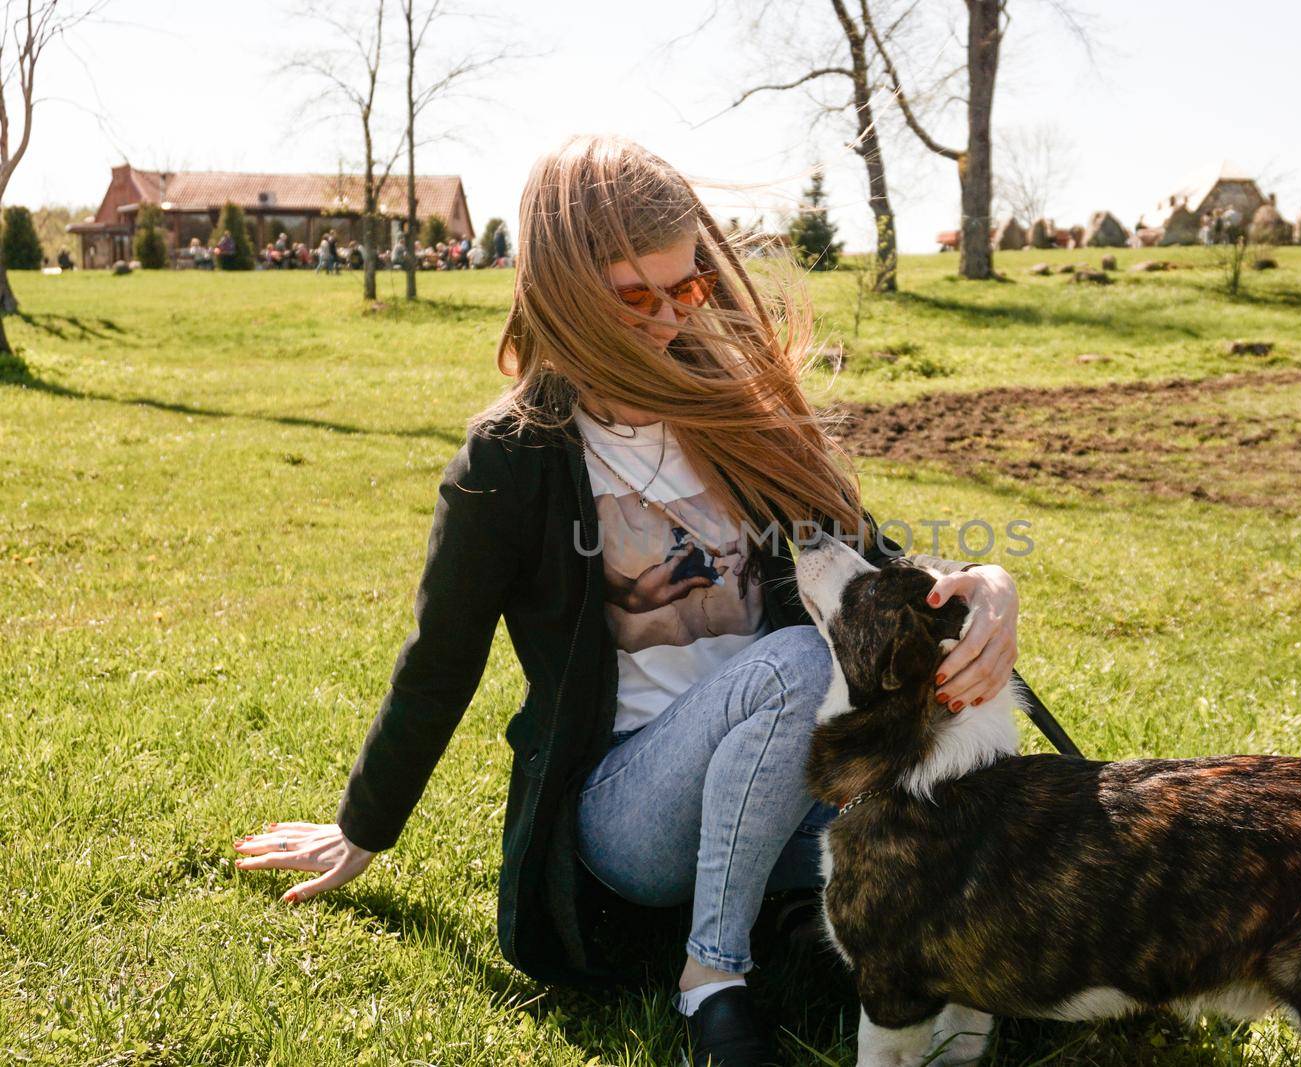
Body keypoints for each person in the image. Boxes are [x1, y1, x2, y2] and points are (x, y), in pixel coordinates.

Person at [231, 133, 1022, 1067]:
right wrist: (362, 825)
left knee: (964, 779)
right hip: (629, 811)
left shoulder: (728, 401)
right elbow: (440, 659)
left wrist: (988, 591)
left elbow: (858, 556)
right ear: (563, 294)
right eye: (633, 297)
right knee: (803, 665)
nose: (667, 319)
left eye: (686, 288)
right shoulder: (510, 459)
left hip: (788, 795)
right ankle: (710, 978)